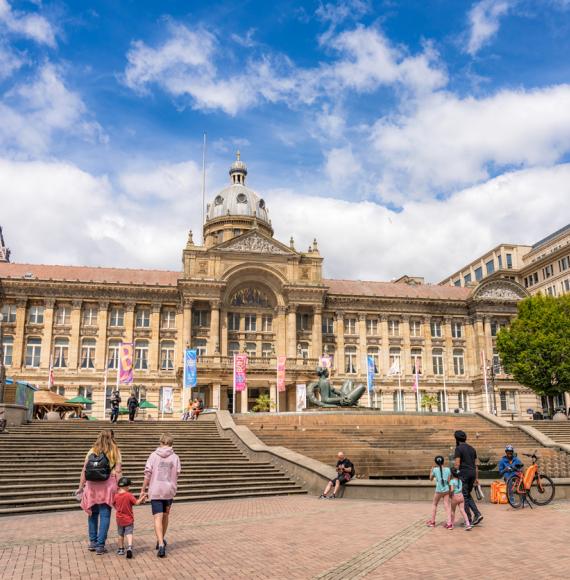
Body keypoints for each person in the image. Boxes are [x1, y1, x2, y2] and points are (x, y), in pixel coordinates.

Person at [78, 430, 122, 555]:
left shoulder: (92, 450)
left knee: (92, 514)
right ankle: (100, 545)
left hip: (91, 486)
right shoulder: (115, 451)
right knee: (105, 515)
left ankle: (93, 542)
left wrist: (81, 486)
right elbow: (118, 471)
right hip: (107, 485)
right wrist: (120, 488)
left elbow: (84, 470)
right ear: (111, 438)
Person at [141, 433, 181, 558]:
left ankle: (161, 544)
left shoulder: (153, 456)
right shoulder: (175, 457)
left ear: (161, 442)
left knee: (157, 518)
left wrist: (143, 489)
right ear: (171, 443)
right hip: (168, 491)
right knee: (165, 516)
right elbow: (178, 472)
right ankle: (161, 539)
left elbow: (147, 474)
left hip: (156, 490)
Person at [453, 430, 483, 526]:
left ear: (456, 439)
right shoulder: (472, 448)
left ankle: (470, 519)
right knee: (467, 494)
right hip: (472, 473)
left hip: (464, 474)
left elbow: (457, 464)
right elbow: (476, 465)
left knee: (464, 496)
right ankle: (475, 515)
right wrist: (476, 478)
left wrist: (454, 475)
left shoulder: (458, 448)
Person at [113, 477, 146, 559]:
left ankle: (121, 549)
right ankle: (130, 547)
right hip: (128, 519)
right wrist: (142, 497)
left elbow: (113, 503)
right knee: (129, 533)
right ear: (126, 486)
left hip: (119, 519)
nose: (129, 488)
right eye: (128, 486)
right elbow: (137, 502)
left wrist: (117, 508)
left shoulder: (116, 496)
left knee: (120, 534)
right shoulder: (129, 495)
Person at [427, 455, 452, 528]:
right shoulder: (448, 469)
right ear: (443, 461)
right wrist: (451, 491)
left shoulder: (435, 470)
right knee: (447, 506)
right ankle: (449, 523)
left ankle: (432, 522)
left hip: (438, 490)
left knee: (434, 504)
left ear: (436, 463)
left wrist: (431, 471)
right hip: (446, 490)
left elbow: (431, 479)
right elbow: (449, 481)